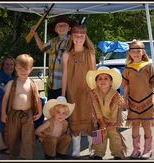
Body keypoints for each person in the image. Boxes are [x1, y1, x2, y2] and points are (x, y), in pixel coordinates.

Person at [61, 24, 96, 158]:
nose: (79, 39)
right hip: (72, 91)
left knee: (91, 119)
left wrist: (95, 92)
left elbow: (93, 73)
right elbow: (64, 75)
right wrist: (63, 95)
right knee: (74, 118)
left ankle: (93, 147)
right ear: (72, 37)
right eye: (76, 36)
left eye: (81, 36)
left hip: (88, 90)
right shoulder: (67, 54)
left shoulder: (90, 53)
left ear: (85, 37)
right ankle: (76, 149)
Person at [122, 40, 154, 159]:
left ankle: (148, 150)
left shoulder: (149, 66)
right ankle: (136, 150)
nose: (136, 53)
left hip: (147, 101)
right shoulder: (128, 68)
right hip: (133, 101)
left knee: (146, 125)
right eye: (133, 51)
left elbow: (153, 81)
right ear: (129, 53)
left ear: (143, 52)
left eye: (138, 50)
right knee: (134, 126)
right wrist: (125, 98)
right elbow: (126, 85)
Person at [1, 54, 42, 159]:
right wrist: (3, 113)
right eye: (20, 68)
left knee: (28, 137)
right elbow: (5, 99)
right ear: (16, 68)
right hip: (14, 114)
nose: (23, 71)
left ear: (31, 69)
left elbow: (37, 99)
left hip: (28, 114)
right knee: (12, 136)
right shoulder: (11, 83)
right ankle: (13, 155)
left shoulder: (32, 83)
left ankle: (26, 157)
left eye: (26, 69)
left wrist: (40, 112)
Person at [86, 66, 129, 160]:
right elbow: (95, 108)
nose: (103, 81)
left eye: (106, 78)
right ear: (96, 82)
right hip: (98, 118)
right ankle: (97, 153)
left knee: (114, 135)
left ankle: (118, 154)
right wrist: (101, 122)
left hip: (112, 120)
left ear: (111, 82)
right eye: (100, 78)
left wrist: (111, 124)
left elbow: (115, 111)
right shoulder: (93, 93)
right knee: (98, 133)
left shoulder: (116, 95)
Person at [31, 15, 75, 100]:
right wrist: (35, 34)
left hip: (66, 84)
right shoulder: (53, 41)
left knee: (64, 110)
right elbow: (42, 48)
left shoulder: (72, 41)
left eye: (64, 25)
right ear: (55, 29)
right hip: (51, 84)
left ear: (69, 28)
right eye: (59, 25)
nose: (61, 27)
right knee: (52, 109)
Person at [0, 56, 16, 152]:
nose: (9, 66)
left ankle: (37, 135)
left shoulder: (16, 77)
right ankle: (0, 142)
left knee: (41, 102)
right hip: (3, 104)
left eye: (11, 64)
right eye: (6, 64)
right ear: (3, 65)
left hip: (15, 103)